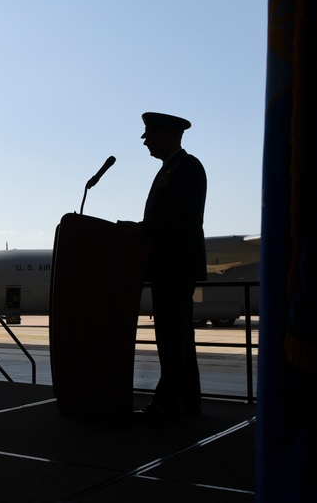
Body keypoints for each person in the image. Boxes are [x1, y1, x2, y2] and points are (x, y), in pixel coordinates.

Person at [119, 112, 207, 420]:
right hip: (167, 266)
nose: (146, 144)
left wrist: (141, 229)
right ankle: (186, 400)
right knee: (178, 339)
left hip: (177, 265)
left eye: (151, 137)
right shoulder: (169, 169)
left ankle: (168, 403)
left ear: (169, 135)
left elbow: (186, 219)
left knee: (171, 338)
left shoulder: (189, 167)